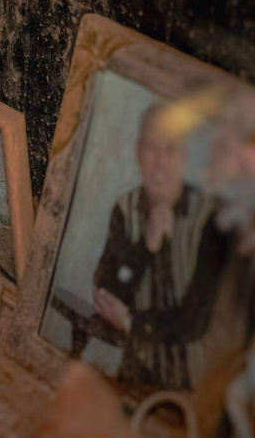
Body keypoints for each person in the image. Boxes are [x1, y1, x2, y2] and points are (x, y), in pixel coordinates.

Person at [92, 104, 230, 390]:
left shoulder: (210, 220)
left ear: (184, 157)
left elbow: (195, 320)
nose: (160, 163)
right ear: (137, 153)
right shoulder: (124, 209)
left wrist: (129, 321)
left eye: (171, 150)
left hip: (191, 383)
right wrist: (146, 247)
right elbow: (107, 290)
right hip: (134, 373)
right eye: (152, 149)